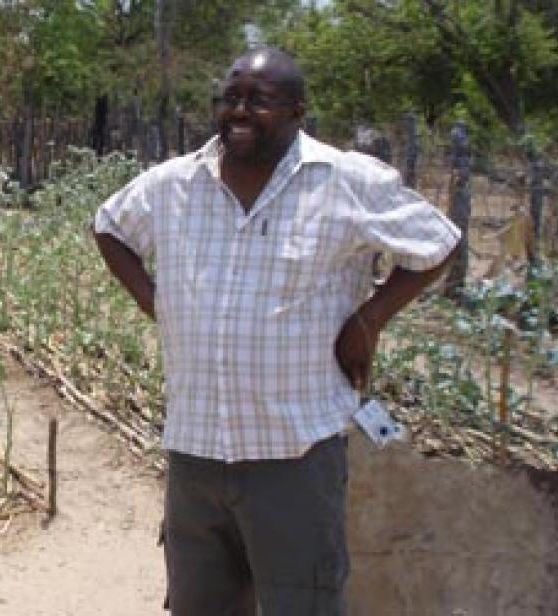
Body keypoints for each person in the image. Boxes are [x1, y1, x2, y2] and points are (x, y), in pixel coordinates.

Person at [93, 47, 459, 614]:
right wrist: (157, 302)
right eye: (231, 98)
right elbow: (109, 226)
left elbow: (438, 243)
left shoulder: (344, 181)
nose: (239, 111)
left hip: (294, 456)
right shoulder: (173, 184)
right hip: (195, 453)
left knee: (303, 604)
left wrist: (368, 319)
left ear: (296, 111)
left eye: (258, 100)